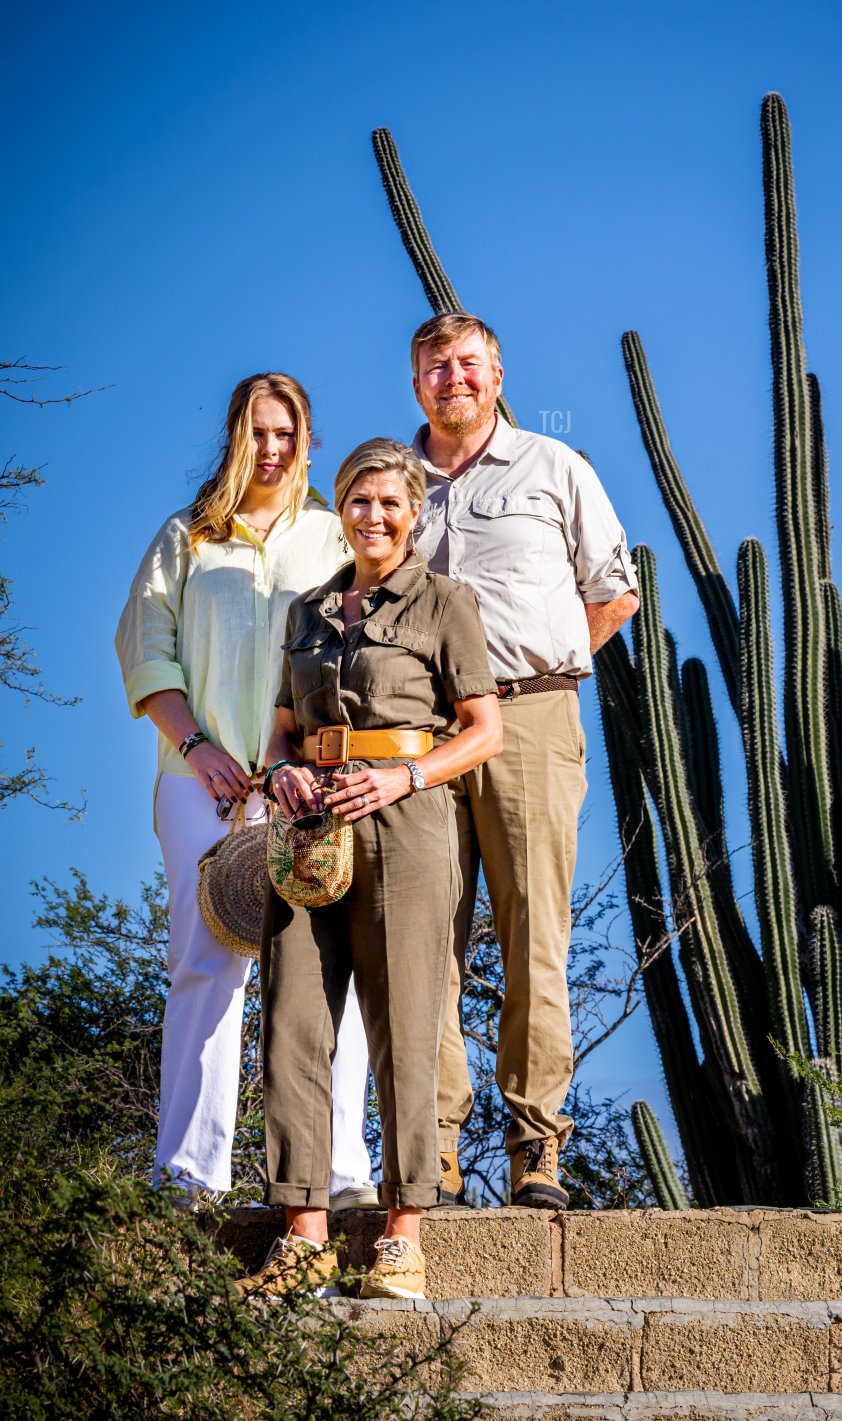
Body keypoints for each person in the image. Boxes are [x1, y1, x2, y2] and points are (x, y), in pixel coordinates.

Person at [245, 437, 501, 1300]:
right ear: (342, 508)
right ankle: (304, 1234)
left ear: (415, 511)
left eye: (391, 502)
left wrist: (404, 773)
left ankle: (403, 1232)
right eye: (359, 501)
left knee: (406, 1024)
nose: (374, 516)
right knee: (294, 1021)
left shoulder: (443, 603)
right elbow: (282, 724)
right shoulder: (308, 611)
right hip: (310, 823)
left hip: (408, 819)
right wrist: (278, 762)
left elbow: (483, 728)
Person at [115, 373, 377, 1209]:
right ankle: (188, 1174)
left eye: (286, 431)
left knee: (328, 969)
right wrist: (198, 749)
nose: (271, 447)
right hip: (200, 784)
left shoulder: (337, 538)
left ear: (308, 439)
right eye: (257, 431)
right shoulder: (187, 539)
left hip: (310, 784)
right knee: (205, 962)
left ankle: (337, 1172)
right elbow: (146, 647)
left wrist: (300, 758)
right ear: (235, 436)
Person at [408, 312, 639, 1210]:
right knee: (424, 939)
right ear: (416, 381)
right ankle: (431, 1153)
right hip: (420, 737)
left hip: (533, 716)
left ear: (497, 374)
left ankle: (536, 1149)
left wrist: (547, 666)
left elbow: (614, 589)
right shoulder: (394, 483)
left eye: (468, 363)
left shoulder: (555, 468)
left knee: (533, 931)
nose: (452, 378)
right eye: (435, 365)